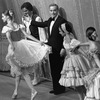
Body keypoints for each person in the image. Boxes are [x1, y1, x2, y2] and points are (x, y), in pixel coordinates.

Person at [1, 10, 51, 100]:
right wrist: (38, 41)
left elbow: (9, 39)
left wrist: (12, 49)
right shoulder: (18, 25)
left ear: (7, 17)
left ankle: (33, 90)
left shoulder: (7, 27)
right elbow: (27, 35)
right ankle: (15, 92)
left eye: (3, 16)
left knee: (22, 72)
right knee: (18, 73)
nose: (2, 18)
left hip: (15, 49)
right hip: (22, 46)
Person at [30, 3, 69, 95]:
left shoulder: (62, 21)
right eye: (51, 10)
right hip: (51, 48)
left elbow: (66, 36)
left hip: (59, 49)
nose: (53, 12)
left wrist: (63, 48)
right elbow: (41, 24)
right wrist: (30, 20)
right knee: (53, 70)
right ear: (49, 11)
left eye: (54, 10)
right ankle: (56, 88)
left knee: (58, 70)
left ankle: (60, 89)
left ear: (57, 10)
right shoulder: (49, 20)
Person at [58, 23, 92, 98]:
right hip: (69, 61)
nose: (59, 33)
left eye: (60, 31)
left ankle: (87, 97)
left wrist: (87, 56)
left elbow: (79, 48)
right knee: (76, 84)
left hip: (76, 61)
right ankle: (83, 98)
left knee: (80, 83)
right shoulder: (65, 39)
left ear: (64, 31)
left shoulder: (72, 39)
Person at [21, 2, 49, 85]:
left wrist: (43, 42)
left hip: (36, 41)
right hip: (29, 42)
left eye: (26, 11)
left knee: (36, 61)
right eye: (23, 11)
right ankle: (36, 76)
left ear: (31, 10)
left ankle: (37, 77)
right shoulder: (23, 18)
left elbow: (41, 31)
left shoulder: (37, 18)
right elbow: (26, 31)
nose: (25, 13)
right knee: (32, 61)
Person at [79, 27, 100, 100]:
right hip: (97, 66)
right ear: (91, 35)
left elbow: (88, 42)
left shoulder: (93, 42)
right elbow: (96, 58)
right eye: (94, 32)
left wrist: (80, 44)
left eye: (95, 31)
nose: (96, 33)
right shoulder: (94, 46)